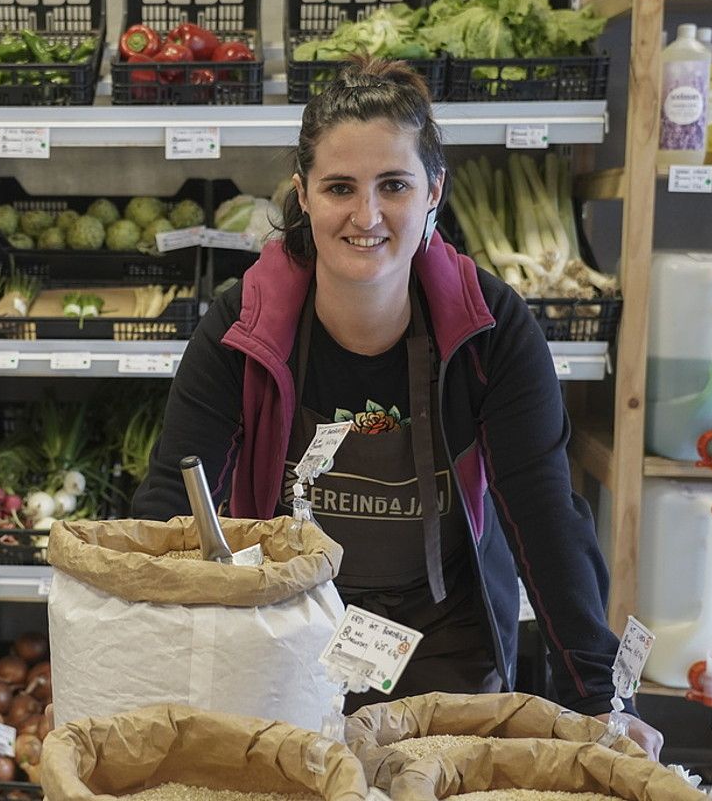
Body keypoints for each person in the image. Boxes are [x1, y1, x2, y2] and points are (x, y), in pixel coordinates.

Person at [131, 56, 663, 758]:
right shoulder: (245, 329)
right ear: (304, 195)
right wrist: (133, 657)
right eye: (340, 188)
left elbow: (543, 513)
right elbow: (175, 493)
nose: (367, 215)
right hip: (290, 625)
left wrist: (597, 699)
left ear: (433, 191)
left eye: (393, 185)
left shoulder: (488, 331)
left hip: (446, 633)